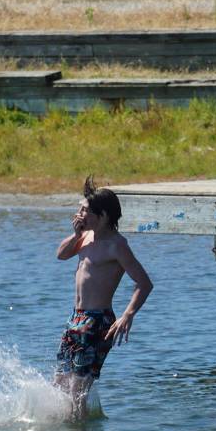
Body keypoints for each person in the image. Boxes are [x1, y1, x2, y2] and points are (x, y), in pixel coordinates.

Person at [53, 176, 153, 418]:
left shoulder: (116, 245)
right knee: (60, 382)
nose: (79, 215)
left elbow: (144, 283)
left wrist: (127, 315)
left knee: (78, 391)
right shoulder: (84, 237)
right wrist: (76, 235)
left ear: (103, 216)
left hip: (97, 322)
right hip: (75, 319)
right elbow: (61, 255)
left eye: (85, 211)